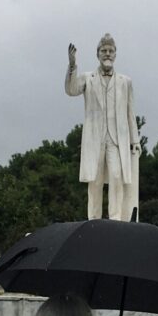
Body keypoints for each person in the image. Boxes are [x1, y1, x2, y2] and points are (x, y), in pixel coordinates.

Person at [65, 33, 141, 221]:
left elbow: (130, 113)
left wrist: (135, 140)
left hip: (116, 139)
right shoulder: (87, 78)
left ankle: (115, 218)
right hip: (94, 138)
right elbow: (71, 90)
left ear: (115, 54)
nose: (107, 54)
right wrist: (73, 66)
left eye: (110, 51)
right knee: (95, 180)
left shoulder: (125, 82)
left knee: (116, 176)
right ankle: (94, 219)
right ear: (97, 54)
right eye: (103, 51)